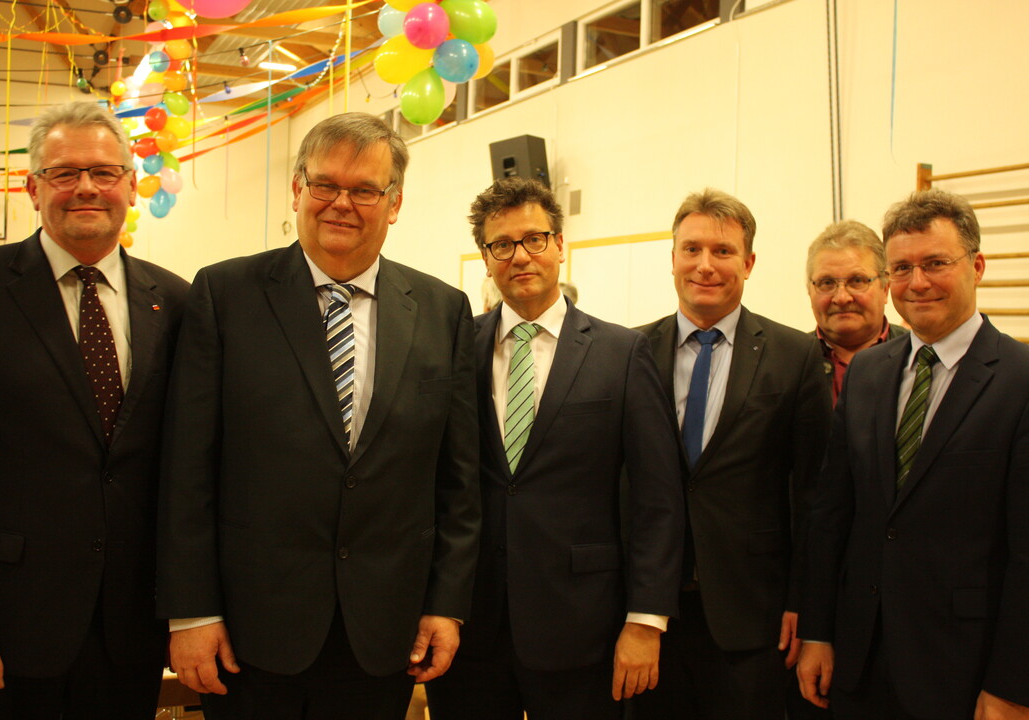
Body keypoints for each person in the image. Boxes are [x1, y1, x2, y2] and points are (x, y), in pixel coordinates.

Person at [157, 112, 481, 720]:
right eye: (325, 184)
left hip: (384, 632)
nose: (342, 203)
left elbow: (457, 480)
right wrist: (193, 612)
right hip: (250, 631)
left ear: (395, 203)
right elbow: (187, 469)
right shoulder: (225, 296)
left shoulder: (443, 310)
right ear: (298, 189)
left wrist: (446, 604)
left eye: (365, 190)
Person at [0, 101, 190, 718]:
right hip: (2, 631)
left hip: (131, 631)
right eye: (64, 173)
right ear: (32, 189)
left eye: (105, 172)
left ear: (132, 186)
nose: (86, 186)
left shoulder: (179, 301)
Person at [425, 176, 683, 720]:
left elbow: (657, 500)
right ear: (486, 258)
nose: (520, 256)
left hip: (584, 628)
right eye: (502, 244)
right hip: (470, 628)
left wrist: (646, 621)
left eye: (534, 239)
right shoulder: (454, 349)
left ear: (561, 245)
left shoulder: (622, 352)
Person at [797, 189, 1029, 720]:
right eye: (901, 267)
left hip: (965, 672)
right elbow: (833, 517)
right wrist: (817, 632)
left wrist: (1014, 686)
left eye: (935, 264)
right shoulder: (870, 375)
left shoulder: (1019, 381)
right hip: (860, 662)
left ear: (978, 266)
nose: (917, 282)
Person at [631, 188, 831, 720]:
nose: (705, 265)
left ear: (749, 261)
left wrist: (802, 602)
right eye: (691, 249)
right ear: (672, 257)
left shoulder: (796, 355)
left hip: (753, 616)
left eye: (722, 251)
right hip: (648, 616)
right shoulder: (629, 353)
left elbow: (813, 496)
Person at [806, 220, 907, 406]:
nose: (842, 298)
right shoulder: (787, 364)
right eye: (827, 283)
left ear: (885, 288)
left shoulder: (918, 356)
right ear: (809, 290)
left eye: (857, 281)